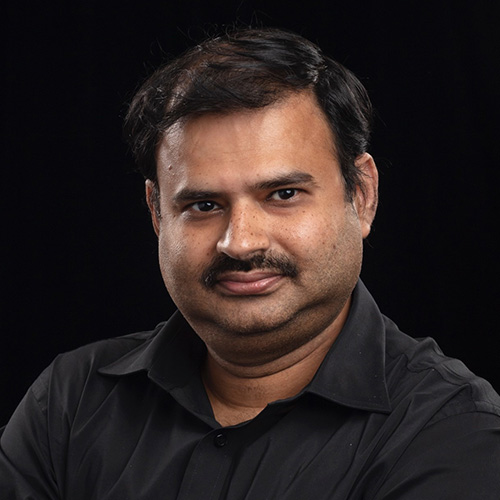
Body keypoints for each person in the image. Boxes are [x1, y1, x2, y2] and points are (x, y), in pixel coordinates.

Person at [1, 27, 499, 499]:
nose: (239, 243)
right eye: (203, 205)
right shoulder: (69, 404)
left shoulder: (450, 432)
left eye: (283, 194)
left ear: (362, 195)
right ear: (156, 213)